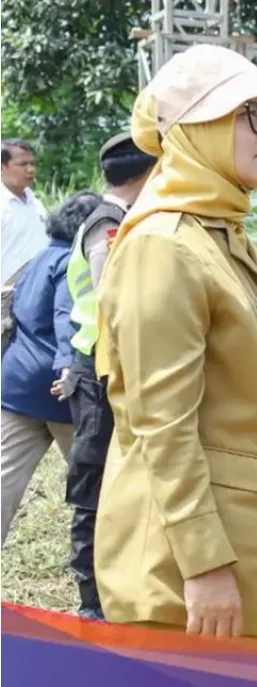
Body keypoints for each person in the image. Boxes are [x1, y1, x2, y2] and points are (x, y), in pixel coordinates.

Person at [93, 43, 257, 639]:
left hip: (239, 555)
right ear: (195, 128)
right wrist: (204, 564)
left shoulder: (223, 236)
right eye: (253, 114)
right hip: (183, 576)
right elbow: (162, 422)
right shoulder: (163, 246)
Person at [57, 131, 157, 619]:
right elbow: (112, 297)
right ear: (148, 173)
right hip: (97, 369)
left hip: (100, 368)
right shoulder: (109, 223)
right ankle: (92, 607)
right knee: (94, 492)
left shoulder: (115, 218)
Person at [1, 193, 102, 544]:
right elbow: (67, 319)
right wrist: (70, 368)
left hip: (16, 385)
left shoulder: (38, 258)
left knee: (4, 481)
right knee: (94, 487)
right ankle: (98, 568)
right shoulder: (71, 264)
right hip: (62, 387)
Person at [2, 139, 48, 352]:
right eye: (22, 164)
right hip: (6, 299)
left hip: (37, 297)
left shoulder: (35, 202)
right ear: (3, 167)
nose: (30, 169)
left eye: (33, 163)